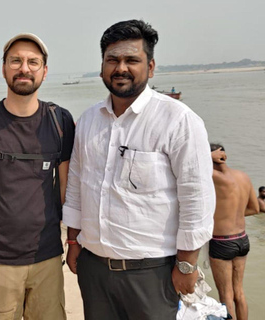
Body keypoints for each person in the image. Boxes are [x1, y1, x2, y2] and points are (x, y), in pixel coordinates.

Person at [63, 20, 215, 319]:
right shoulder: (90, 119)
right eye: (112, 60)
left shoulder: (177, 120)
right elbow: (77, 184)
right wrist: (73, 239)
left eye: (132, 60)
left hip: (153, 272)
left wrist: (186, 263)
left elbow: (196, 195)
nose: (121, 68)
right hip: (94, 269)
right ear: (102, 66)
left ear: (151, 66)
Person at [0, 33, 75, 320]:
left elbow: (68, 191)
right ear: (4, 68)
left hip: (46, 257)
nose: (24, 68)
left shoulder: (60, 122)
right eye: (16, 61)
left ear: (44, 71)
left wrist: (72, 242)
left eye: (33, 62)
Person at [209, 144, 259, 320]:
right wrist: (232, 213)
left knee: (226, 296)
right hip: (242, 239)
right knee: (239, 292)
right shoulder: (243, 176)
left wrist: (208, 157)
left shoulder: (212, 176)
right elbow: (255, 209)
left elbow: (192, 166)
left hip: (222, 242)